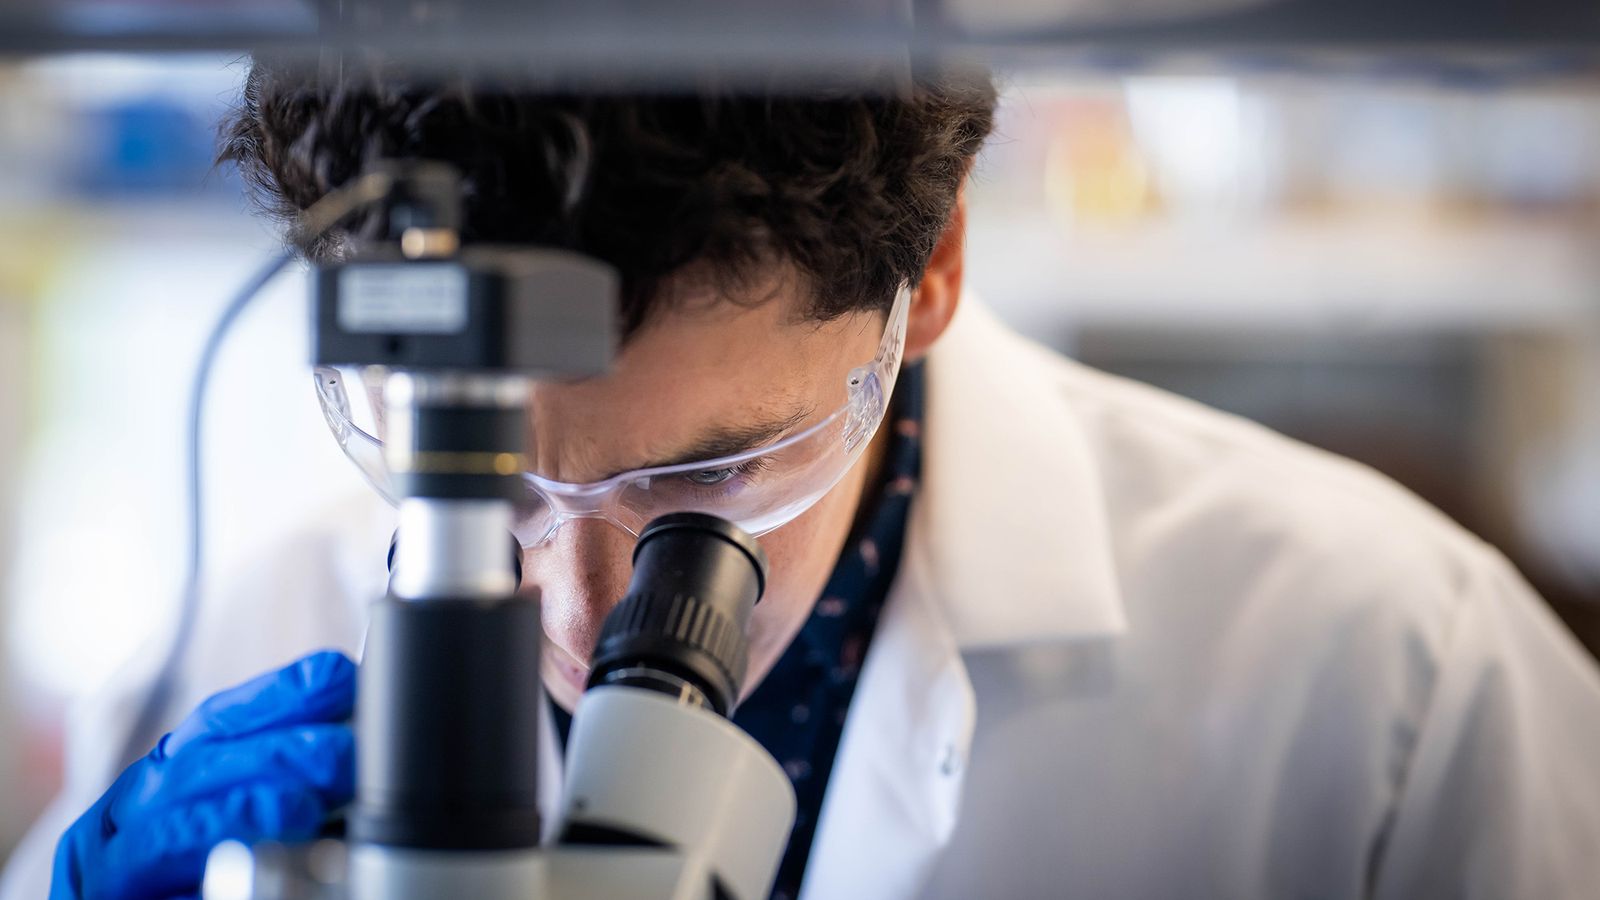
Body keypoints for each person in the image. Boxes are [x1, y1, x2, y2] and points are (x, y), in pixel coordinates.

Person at [9, 56, 1600, 900]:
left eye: (709, 477)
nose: (572, 607)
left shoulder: (1393, 688)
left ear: (938, 267)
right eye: (477, 473)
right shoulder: (243, 648)